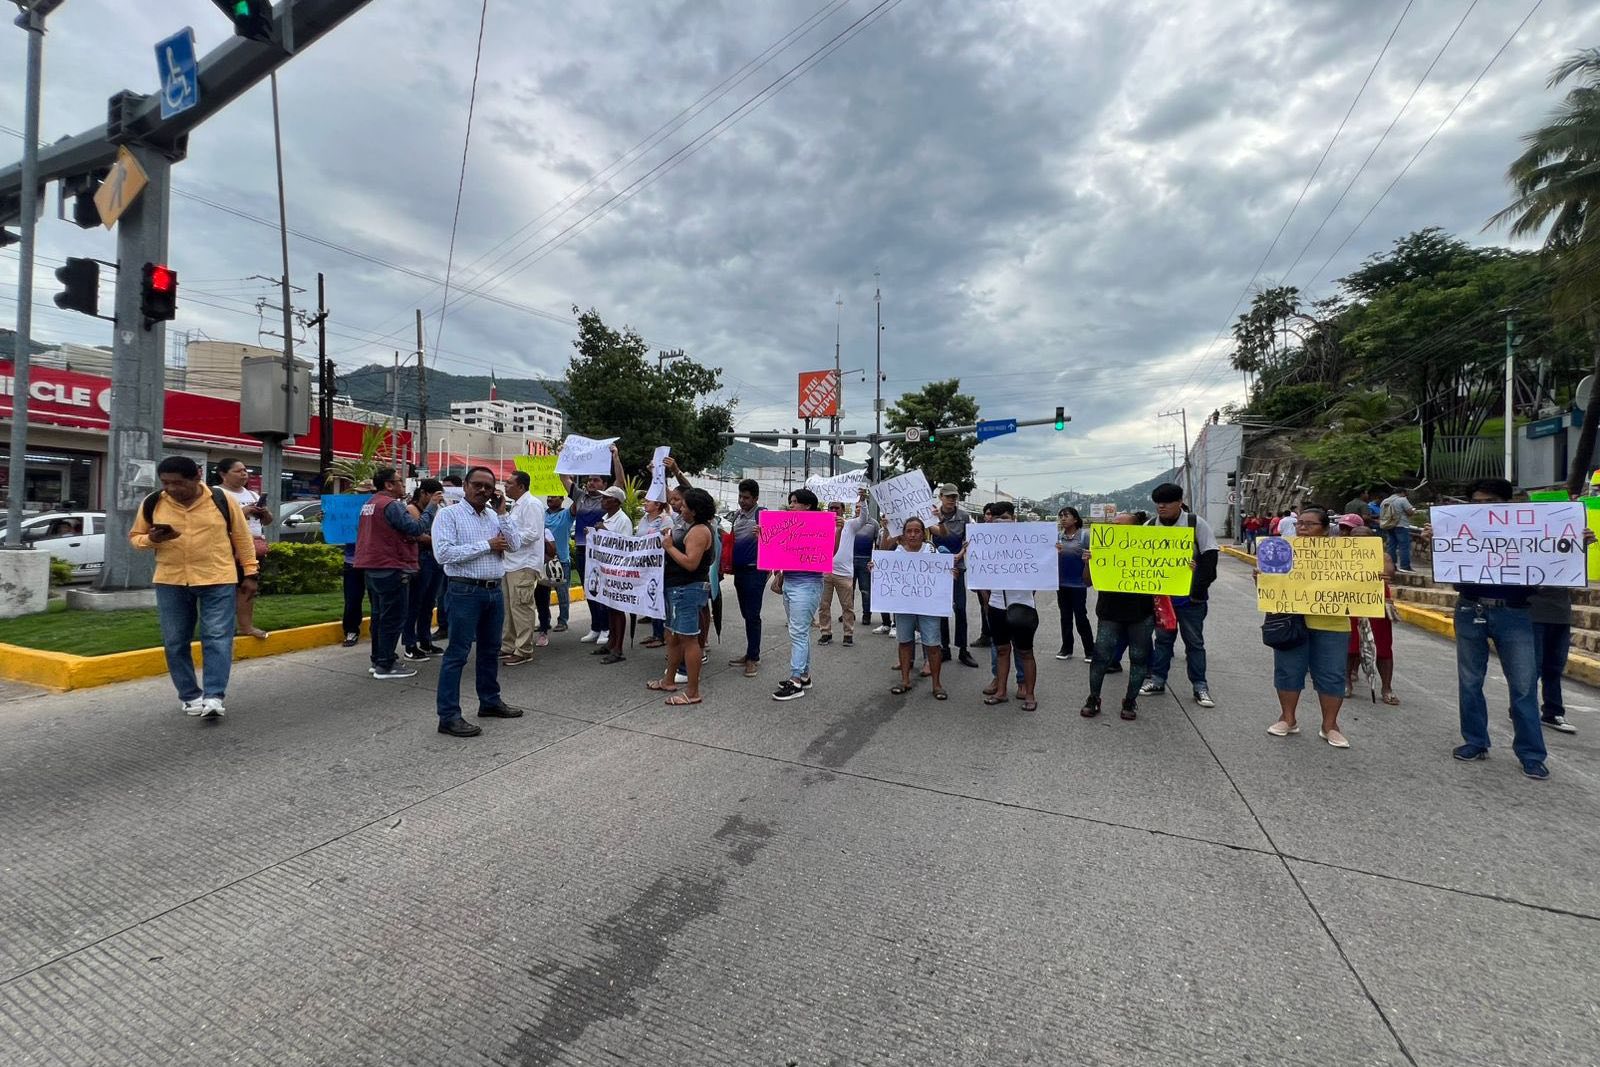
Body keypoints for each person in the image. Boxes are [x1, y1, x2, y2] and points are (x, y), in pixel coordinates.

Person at [129, 455, 258, 720]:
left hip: (217, 578)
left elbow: (243, 539)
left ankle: (213, 696)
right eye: (165, 483)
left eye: (178, 483)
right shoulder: (154, 502)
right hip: (171, 580)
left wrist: (250, 573)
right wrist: (151, 539)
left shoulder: (222, 501)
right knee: (175, 641)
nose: (171, 489)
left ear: (196, 478)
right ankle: (189, 696)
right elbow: (135, 538)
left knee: (217, 638)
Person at [431, 466, 524, 738]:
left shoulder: (495, 516)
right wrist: (487, 545)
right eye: (477, 485)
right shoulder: (449, 515)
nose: (483, 490)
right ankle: (448, 716)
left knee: (489, 650)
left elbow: (515, 544)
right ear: (466, 486)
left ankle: (490, 701)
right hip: (464, 592)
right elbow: (444, 554)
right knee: (457, 654)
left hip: (493, 592)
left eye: (488, 486)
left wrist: (504, 513)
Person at [1263, 507, 1350, 748]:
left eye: (1309, 524)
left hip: (1332, 622)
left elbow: (1359, 579)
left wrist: (1375, 578)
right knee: (1288, 670)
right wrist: (1262, 577)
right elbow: (1272, 583)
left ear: (1324, 528)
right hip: (1290, 619)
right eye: (1300, 523)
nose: (1302, 528)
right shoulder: (1283, 549)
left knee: (1332, 674)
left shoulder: (1343, 554)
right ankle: (1287, 718)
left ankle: (1330, 725)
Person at [1140, 483, 1219, 708]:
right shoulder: (1149, 527)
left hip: (1190, 600)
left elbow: (1210, 558)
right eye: (1158, 502)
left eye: (1166, 502)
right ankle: (1157, 680)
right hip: (1162, 599)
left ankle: (1200, 686)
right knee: (1163, 641)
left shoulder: (1195, 524)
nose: (1161, 507)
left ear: (1179, 502)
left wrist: (1197, 586)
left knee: (1194, 643)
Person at [354, 466, 435, 681]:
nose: (402, 484)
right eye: (399, 481)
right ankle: (386, 664)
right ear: (389, 485)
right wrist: (431, 508)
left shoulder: (370, 504)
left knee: (380, 617)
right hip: (391, 567)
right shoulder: (391, 505)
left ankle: (378, 659)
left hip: (373, 568)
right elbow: (416, 529)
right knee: (392, 618)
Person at [1080, 513, 1154, 721]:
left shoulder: (1149, 550)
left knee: (1139, 657)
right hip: (1110, 612)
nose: (1114, 527)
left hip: (1141, 613)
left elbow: (1171, 579)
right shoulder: (1102, 548)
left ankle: (1130, 700)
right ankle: (1094, 697)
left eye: (1121, 525)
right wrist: (1088, 563)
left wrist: (1185, 570)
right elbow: (1087, 582)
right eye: (1114, 524)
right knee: (1101, 656)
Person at [650, 487, 717, 706]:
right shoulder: (688, 525)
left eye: (685, 506)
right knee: (673, 637)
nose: (681, 508)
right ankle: (668, 680)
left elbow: (690, 563)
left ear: (695, 511)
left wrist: (669, 547)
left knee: (689, 640)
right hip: (676, 588)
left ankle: (693, 691)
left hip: (687, 589)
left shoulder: (699, 531)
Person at [881, 515, 959, 700]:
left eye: (917, 531)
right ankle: (905, 680)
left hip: (928, 606)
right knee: (905, 641)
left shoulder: (931, 552)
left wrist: (950, 574)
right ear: (904, 534)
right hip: (904, 605)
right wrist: (875, 569)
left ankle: (937, 684)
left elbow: (943, 570)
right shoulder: (898, 552)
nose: (913, 535)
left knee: (932, 644)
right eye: (909, 531)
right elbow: (885, 566)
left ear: (923, 533)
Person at [976, 501, 1038, 710]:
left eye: (1006, 518)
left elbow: (1043, 572)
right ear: (991, 521)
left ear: (1014, 519)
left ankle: (1029, 694)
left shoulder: (1029, 543)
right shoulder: (985, 543)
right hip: (996, 605)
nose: (1002, 522)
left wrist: (1051, 553)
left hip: (1023, 604)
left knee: (1025, 651)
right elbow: (979, 574)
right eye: (997, 518)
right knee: (1002, 649)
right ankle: (1001, 691)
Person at [564, 444, 627, 647]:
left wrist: (615, 457)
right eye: (589, 480)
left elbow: (621, 482)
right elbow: (564, 478)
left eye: (596, 480)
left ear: (604, 483)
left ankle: (607, 629)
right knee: (589, 589)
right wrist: (565, 455)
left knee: (603, 590)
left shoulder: (608, 499)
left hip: (602, 553)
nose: (591, 483)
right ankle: (595, 627)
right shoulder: (580, 496)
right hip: (584, 551)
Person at [1337, 514, 1397, 706]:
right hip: (1351, 602)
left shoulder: (1383, 556)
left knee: (1383, 648)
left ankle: (1386, 687)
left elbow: (1390, 572)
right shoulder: (1341, 555)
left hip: (1376, 604)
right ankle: (1346, 681)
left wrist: (1382, 573)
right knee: (1350, 645)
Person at [771, 488, 825, 701]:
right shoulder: (789, 527)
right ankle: (804, 675)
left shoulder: (820, 527)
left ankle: (795, 681)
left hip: (808, 584)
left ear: (808, 505)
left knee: (798, 632)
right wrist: (765, 537)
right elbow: (777, 553)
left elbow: (829, 553)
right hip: (791, 582)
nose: (791, 505)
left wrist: (837, 532)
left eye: (795, 502)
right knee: (800, 631)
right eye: (790, 502)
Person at [500, 470, 554, 667]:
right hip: (511, 563)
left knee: (521, 608)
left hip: (524, 564)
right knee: (509, 607)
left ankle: (523, 650)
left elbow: (532, 533)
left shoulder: (531, 504)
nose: (505, 486)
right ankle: (508, 645)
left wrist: (508, 541)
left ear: (521, 486)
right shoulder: (515, 506)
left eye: (509, 483)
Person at [216, 458, 273, 639]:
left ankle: (246, 626)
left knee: (248, 587)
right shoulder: (217, 494)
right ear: (223, 474)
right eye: (238, 471)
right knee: (224, 589)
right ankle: (222, 627)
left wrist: (264, 513)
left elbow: (268, 522)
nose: (244, 474)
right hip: (227, 546)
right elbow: (215, 521)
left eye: (245, 470)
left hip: (252, 547)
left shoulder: (253, 495)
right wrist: (243, 512)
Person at [931, 484, 979, 668]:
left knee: (960, 609)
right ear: (941, 497)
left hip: (958, 567)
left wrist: (958, 556)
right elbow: (929, 539)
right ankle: (944, 648)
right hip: (938, 568)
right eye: (948, 496)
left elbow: (969, 541)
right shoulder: (932, 515)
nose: (952, 500)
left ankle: (963, 649)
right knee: (941, 609)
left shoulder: (964, 517)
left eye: (954, 497)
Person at [403, 479, 446, 660]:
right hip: (421, 558)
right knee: (415, 602)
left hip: (435, 558)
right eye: (434, 495)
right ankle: (409, 644)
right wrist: (437, 539)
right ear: (424, 494)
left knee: (429, 603)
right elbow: (418, 532)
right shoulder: (411, 508)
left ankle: (425, 639)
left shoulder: (438, 510)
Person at [592, 485, 635, 664]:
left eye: (606, 498)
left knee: (617, 609)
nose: (602, 501)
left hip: (617, 570)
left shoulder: (623, 520)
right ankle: (611, 643)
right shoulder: (606, 517)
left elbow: (624, 545)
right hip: (605, 569)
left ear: (616, 502)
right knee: (609, 607)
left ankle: (618, 648)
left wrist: (605, 531)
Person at [728, 478, 767, 678]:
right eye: (740, 497)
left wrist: (764, 534)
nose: (742, 501)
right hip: (740, 571)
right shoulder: (737, 516)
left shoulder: (763, 515)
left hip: (756, 571)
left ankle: (753, 657)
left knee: (752, 615)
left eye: (746, 498)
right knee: (746, 613)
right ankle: (750, 652)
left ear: (756, 498)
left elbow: (777, 540)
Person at [1529, 587, 1578, 735]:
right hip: (1533, 613)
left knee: (1555, 667)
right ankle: (1522, 710)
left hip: (1561, 614)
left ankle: (1553, 711)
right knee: (1531, 668)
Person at [818, 500, 863, 646]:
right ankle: (825, 633)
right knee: (824, 605)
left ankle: (848, 634)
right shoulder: (822, 524)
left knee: (847, 607)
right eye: (831, 507)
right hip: (825, 572)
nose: (833, 510)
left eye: (837, 507)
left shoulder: (850, 525)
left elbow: (863, 518)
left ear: (843, 510)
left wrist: (863, 501)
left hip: (844, 574)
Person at [1055, 506, 1093, 662]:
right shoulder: (1058, 537)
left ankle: (1090, 650)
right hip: (1061, 584)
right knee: (1065, 617)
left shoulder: (1084, 537)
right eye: (1061, 516)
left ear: (1075, 519)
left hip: (1078, 584)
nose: (1063, 519)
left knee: (1081, 617)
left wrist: (1088, 560)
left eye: (1066, 516)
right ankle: (1066, 648)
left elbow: (1093, 557)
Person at [637, 497, 675, 649]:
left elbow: (667, 540)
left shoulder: (666, 520)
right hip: (646, 566)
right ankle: (655, 632)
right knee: (650, 597)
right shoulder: (644, 519)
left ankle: (663, 635)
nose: (644, 503)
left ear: (658, 504)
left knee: (660, 598)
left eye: (648, 501)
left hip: (661, 566)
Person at [432, 474, 463, 642]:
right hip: (444, 557)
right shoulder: (439, 508)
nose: (445, 491)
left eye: (449, 488)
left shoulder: (466, 508)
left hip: (461, 558)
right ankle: (443, 626)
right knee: (442, 594)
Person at [542, 492, 575, 635]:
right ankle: (544, 621)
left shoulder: (567, 514)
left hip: (561, 561)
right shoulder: (542, 514)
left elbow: (578, 503)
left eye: (554, 496)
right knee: (542, 594)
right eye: (548, 496)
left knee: (562, 593)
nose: (549, 499)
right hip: (542, 560)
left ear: (562, 499)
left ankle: (563, 621)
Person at [1377, 487, 1415, 572]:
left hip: (1389, 525)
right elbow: (1410, 512)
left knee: (1391, 545)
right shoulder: (1402, 500)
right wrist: (1413, 511)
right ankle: (1405, 566)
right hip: (1401, 525)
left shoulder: (1385, 501)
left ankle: (1391, 565)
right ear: (1402, 492)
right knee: (1404, 546)